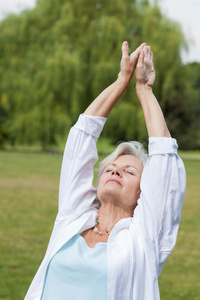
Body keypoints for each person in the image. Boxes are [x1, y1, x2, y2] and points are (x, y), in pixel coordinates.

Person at [25, 41, 186, 300]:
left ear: (143, 194)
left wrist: (144, 89)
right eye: (110, 167)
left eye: (129, 172)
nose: (116, 172)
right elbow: (81, 137)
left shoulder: (145, 236)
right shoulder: (73, 217)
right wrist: (121, 80)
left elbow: (165, 158)